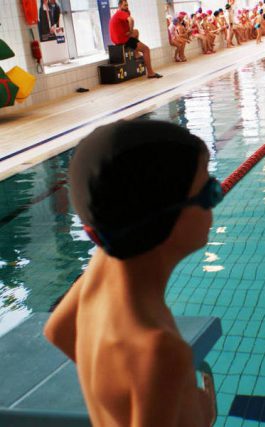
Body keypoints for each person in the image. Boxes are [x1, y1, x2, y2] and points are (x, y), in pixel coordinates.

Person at [44, 120, 222, 427]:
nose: (216, 202)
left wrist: (119, 396)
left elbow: (58, 330)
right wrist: (196, 417)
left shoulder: (102, 265)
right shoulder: (160, 352)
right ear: (163, 222)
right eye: (210, 193)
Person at [109, 0, 162, 78]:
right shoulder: (121, 12)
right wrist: (130, 31)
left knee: (136, 31)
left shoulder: (118, 14)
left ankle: (136, 53)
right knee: (146, 49)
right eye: (125, 5)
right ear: (119, 6)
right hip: (123, 39)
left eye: (127, 5)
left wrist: (130, 31)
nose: (127, 7)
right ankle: (150, 73)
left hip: (117, 39)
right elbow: (131, 20)